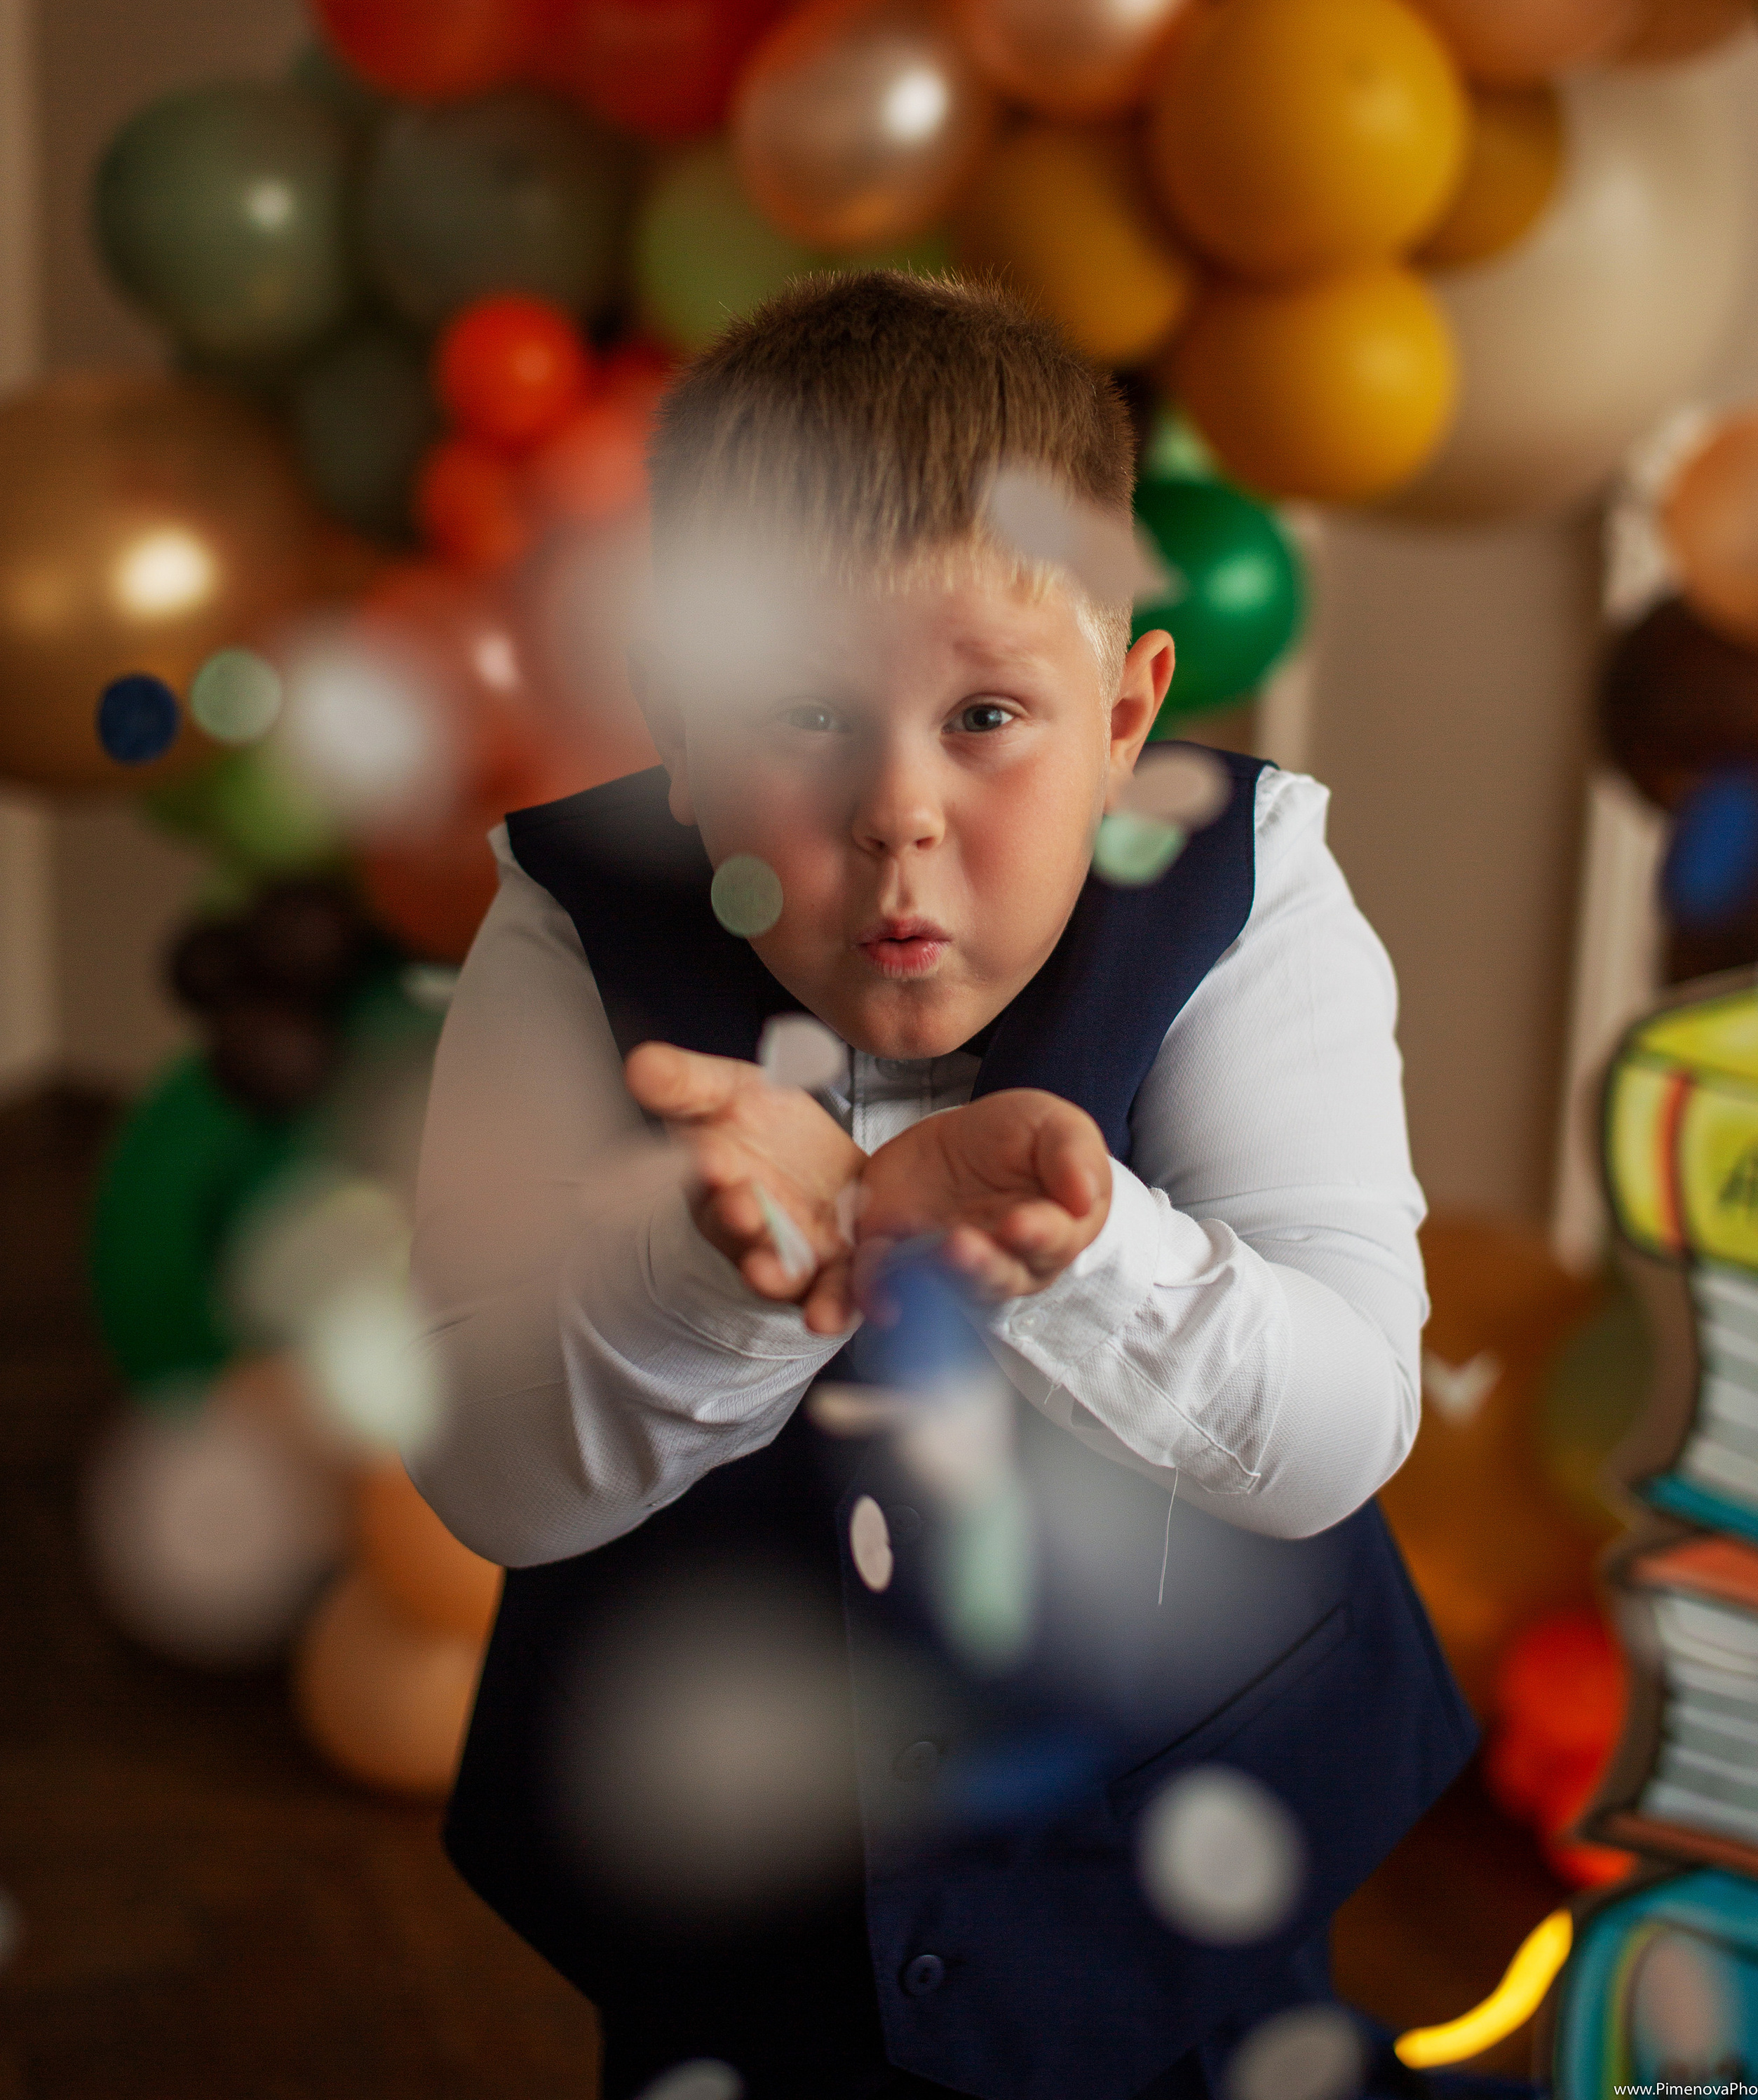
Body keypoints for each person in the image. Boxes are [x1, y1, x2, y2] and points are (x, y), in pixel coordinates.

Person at [408, 271, 1474, 2100]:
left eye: (991, 717)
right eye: (806, 720)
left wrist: (1078, 1257)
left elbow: (1342, 1422)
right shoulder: (566, 925)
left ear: (1131, 712)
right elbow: (486, 1468)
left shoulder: (1254, 889)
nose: (900, 815)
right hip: (719, 1853)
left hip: (1178, 1835)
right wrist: (713, 1273)